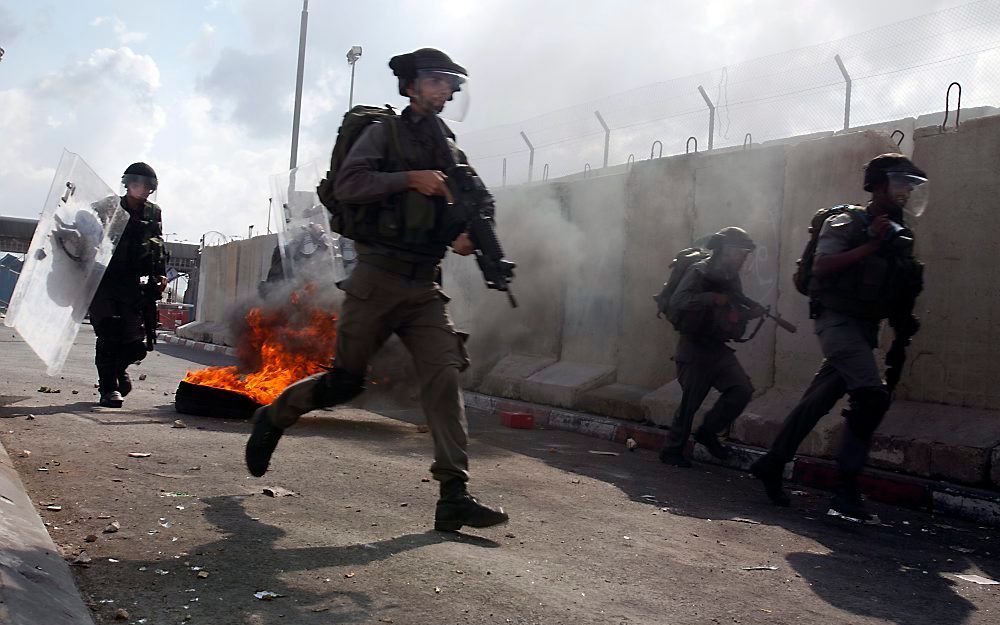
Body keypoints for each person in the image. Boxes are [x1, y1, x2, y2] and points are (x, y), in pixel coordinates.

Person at [245, 48, 508, 533]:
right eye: (436, 81)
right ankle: (273, 417)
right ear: (410, 86)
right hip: (377, 279)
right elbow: (349, 186)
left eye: (451, 84)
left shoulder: (449, 148)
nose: (445, 90)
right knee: (346, 381)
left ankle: (454, 494)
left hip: (424, 286)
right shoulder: (381, 133)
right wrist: (411, 178)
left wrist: (466, 236)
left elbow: (460, 208)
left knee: (444, 376)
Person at [751, 153, 927, 522]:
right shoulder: (848, 221)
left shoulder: (898, 231)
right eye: (900, 184)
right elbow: (823, 266)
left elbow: (896, 284)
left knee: (816, 401)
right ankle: (846, 491)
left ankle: (772, 462)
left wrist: (902, 322)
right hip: (837, 322)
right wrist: (871, 244)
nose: (907, 192)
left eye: (911, 186)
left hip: (863, 329)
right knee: (870, 397)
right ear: (878, 185)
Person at [658, 227, 764, 467]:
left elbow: (730, 312)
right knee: (690, 403)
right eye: (741, 252)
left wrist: (749, 314)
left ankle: (708, 431)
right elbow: (679, 301)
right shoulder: (699, 271)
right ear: (726, 251)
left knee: (741, 390)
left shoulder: (730, 277)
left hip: (717, 346)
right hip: (694, 345)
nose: (744, 257)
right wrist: (711, 298)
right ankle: (672, 450)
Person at [89, 162, 166, 407]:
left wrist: (161, 275)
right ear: (127, 183)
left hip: (133, 284)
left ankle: (117, 372)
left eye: (147, 186)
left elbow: (157, 245)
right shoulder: (107, 207)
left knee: (136, 346)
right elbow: (84, 233)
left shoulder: (153, 212)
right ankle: (109, 389)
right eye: (137, 184)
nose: (142, 189)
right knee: (109, 334)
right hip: (104, 280)